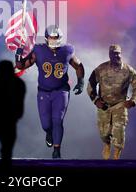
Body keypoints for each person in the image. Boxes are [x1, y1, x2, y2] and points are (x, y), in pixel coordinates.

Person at [16, 25, 85, 159]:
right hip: (44, 91)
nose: (53, 40)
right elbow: (21, 66)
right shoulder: (39, 50)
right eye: (51, 38)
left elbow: (78, 66)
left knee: (57, 120)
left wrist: (81, 82)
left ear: (60, 38)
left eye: (56, 37)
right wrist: (18, 54)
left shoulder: (67, 50)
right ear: (46, 38)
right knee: (46, 124)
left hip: (61, 91)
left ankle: (57, 151)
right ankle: (49, 132)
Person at [88, 44, 136, 160]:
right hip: (104, 106)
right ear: (109, 55)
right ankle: (106, 145)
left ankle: (116, 157)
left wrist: (133, 101)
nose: (116, 56)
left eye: (118, 53)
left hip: (120, 106)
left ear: (121, 54)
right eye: (113, 53)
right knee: (104, 133)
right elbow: (91, 85)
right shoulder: (101, 69)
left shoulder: (128, 70)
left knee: (119, 133)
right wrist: (96, 100)